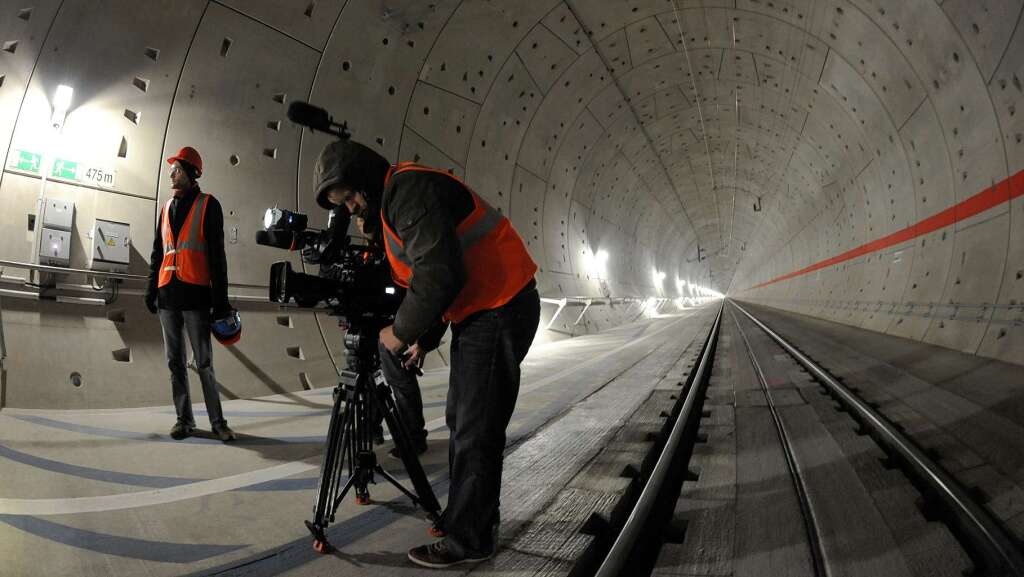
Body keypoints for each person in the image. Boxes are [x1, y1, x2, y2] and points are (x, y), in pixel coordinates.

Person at [313, 140, 540, 568]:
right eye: (345, 205)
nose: (353, 209)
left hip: (500, 304)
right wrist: (426, 337)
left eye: (351, 198)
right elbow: (434, 272)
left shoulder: (406, 192)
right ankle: (470, 525)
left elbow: (439, 273)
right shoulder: (394, 202)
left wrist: (400, 333)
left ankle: (469, 539)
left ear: (364, 180)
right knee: (465, 420)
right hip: (486, 308)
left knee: (475, 426)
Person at [145, 146, 236, 443]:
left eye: (178, 169)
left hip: (196, 297)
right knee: (174, 362)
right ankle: (183, 419)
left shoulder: (209, 205)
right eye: (172, 169)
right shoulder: (164, 208)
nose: (171, 173)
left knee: (204, 364)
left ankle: (218, 422)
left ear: (192, 173)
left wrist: (220, 303)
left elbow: (217, 258)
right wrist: (151, 290)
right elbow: (158, 252)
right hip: (168, 297)